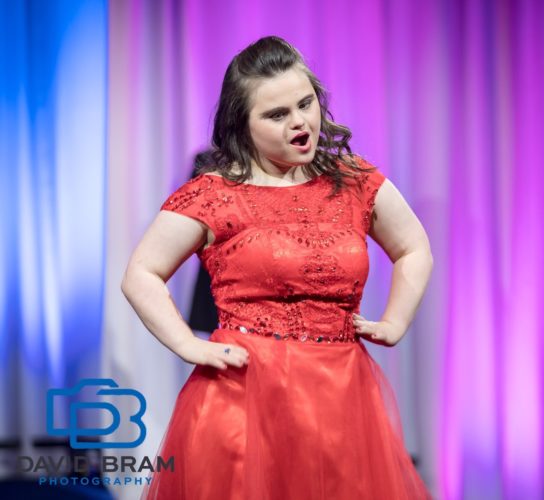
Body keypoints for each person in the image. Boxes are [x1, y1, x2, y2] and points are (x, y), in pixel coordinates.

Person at [121, 36, 433, 499]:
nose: (300, 123)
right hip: (243, 398)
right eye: (276, 115)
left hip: (340, 399)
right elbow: (141, 273)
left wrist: (397, 319)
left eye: (305, 104)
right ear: (241, 125)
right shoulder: (214, 192)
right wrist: (187, 344)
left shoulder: (354, 181)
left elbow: (413, 247)